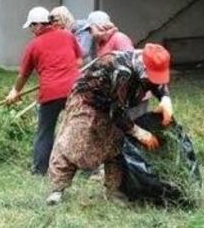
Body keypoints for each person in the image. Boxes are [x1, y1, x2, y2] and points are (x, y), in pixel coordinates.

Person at [45, 44, 175, 205]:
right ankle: (57, 189)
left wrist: (165, 98)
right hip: (88, 101)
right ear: (143, 67)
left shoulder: (150, 59)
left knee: (116, 144)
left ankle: (114, 190)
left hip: (115, 104)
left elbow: (156, 82)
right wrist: (139, 133)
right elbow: (115, 111)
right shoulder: (120, 70)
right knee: (74, 144)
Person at [5, 6, 83, 175]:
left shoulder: (33, 45)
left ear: (39, 25)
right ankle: (86, 168)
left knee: (45, 131)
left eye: (32, 26)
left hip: (51, 92)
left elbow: (23, 74)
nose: (31, 30)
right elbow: (79, 61)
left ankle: (40, 170)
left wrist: (15, 91)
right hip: (75, 90)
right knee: (79, 128)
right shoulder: (68, 35)